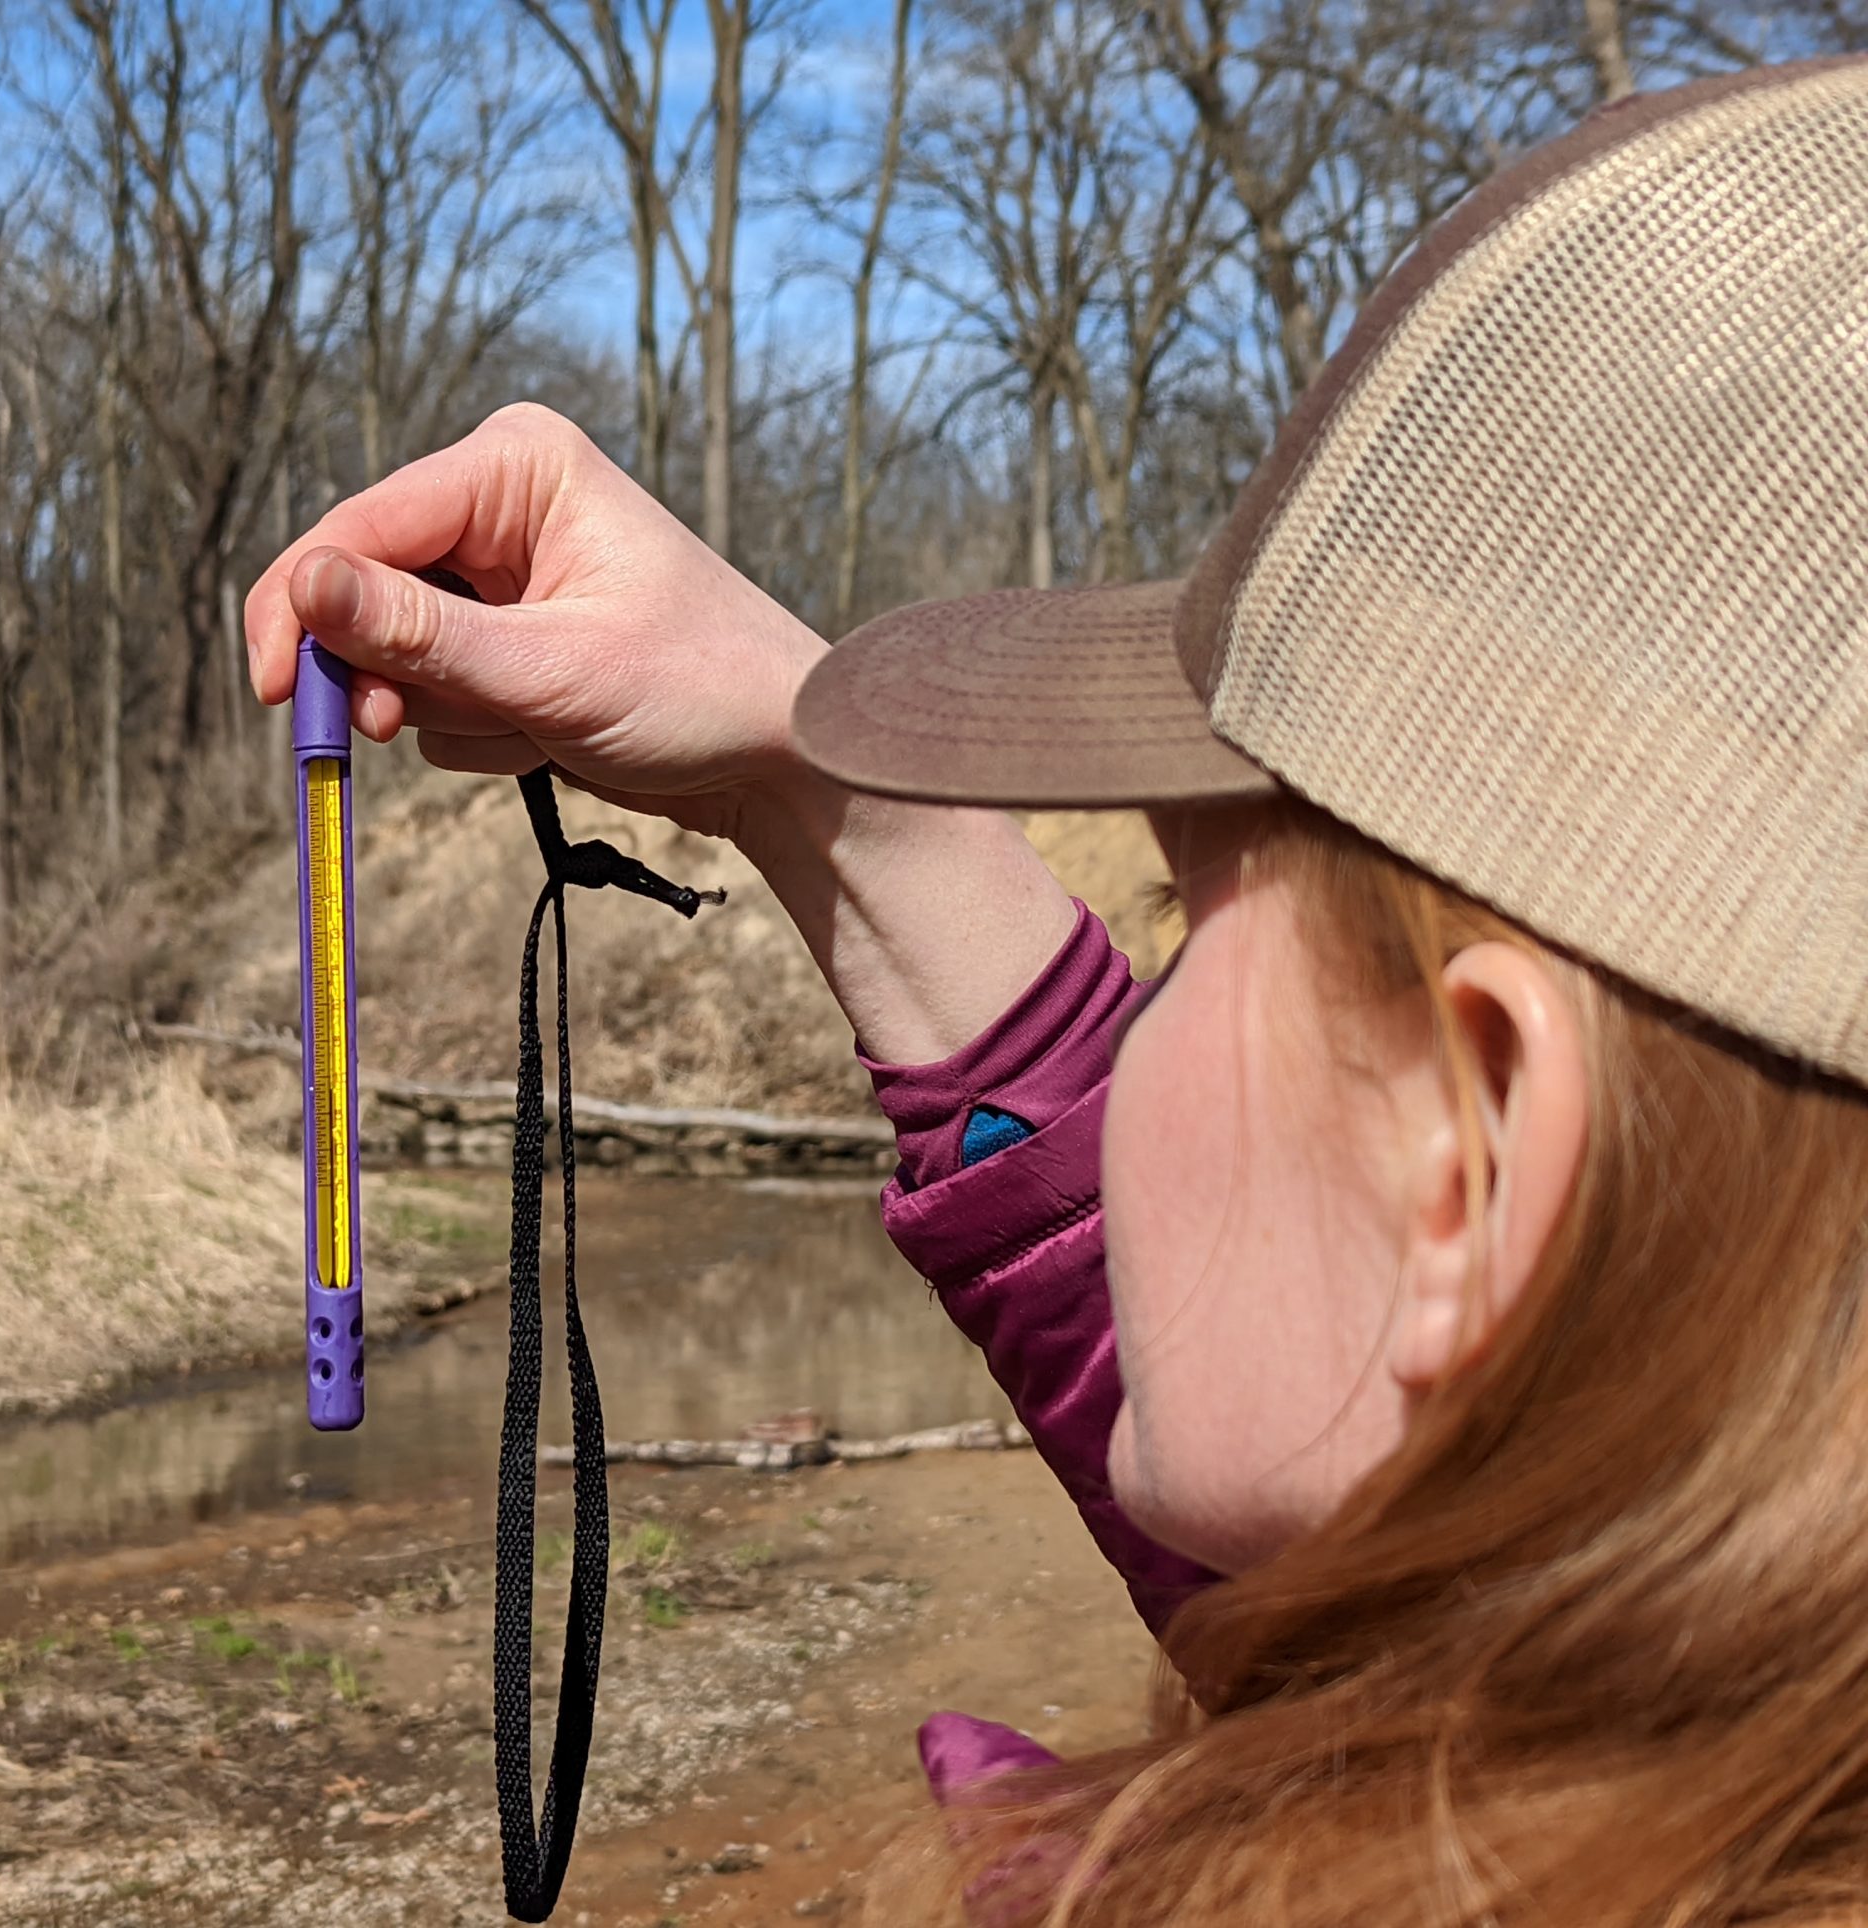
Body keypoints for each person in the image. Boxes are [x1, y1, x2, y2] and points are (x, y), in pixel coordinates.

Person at [246, 59, 1868, 1925]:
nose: (1140, 1023)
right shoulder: (1689, 1735)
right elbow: (1327, 1341)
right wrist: (798, 764)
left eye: (1181, 937)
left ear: (1474, 1152)